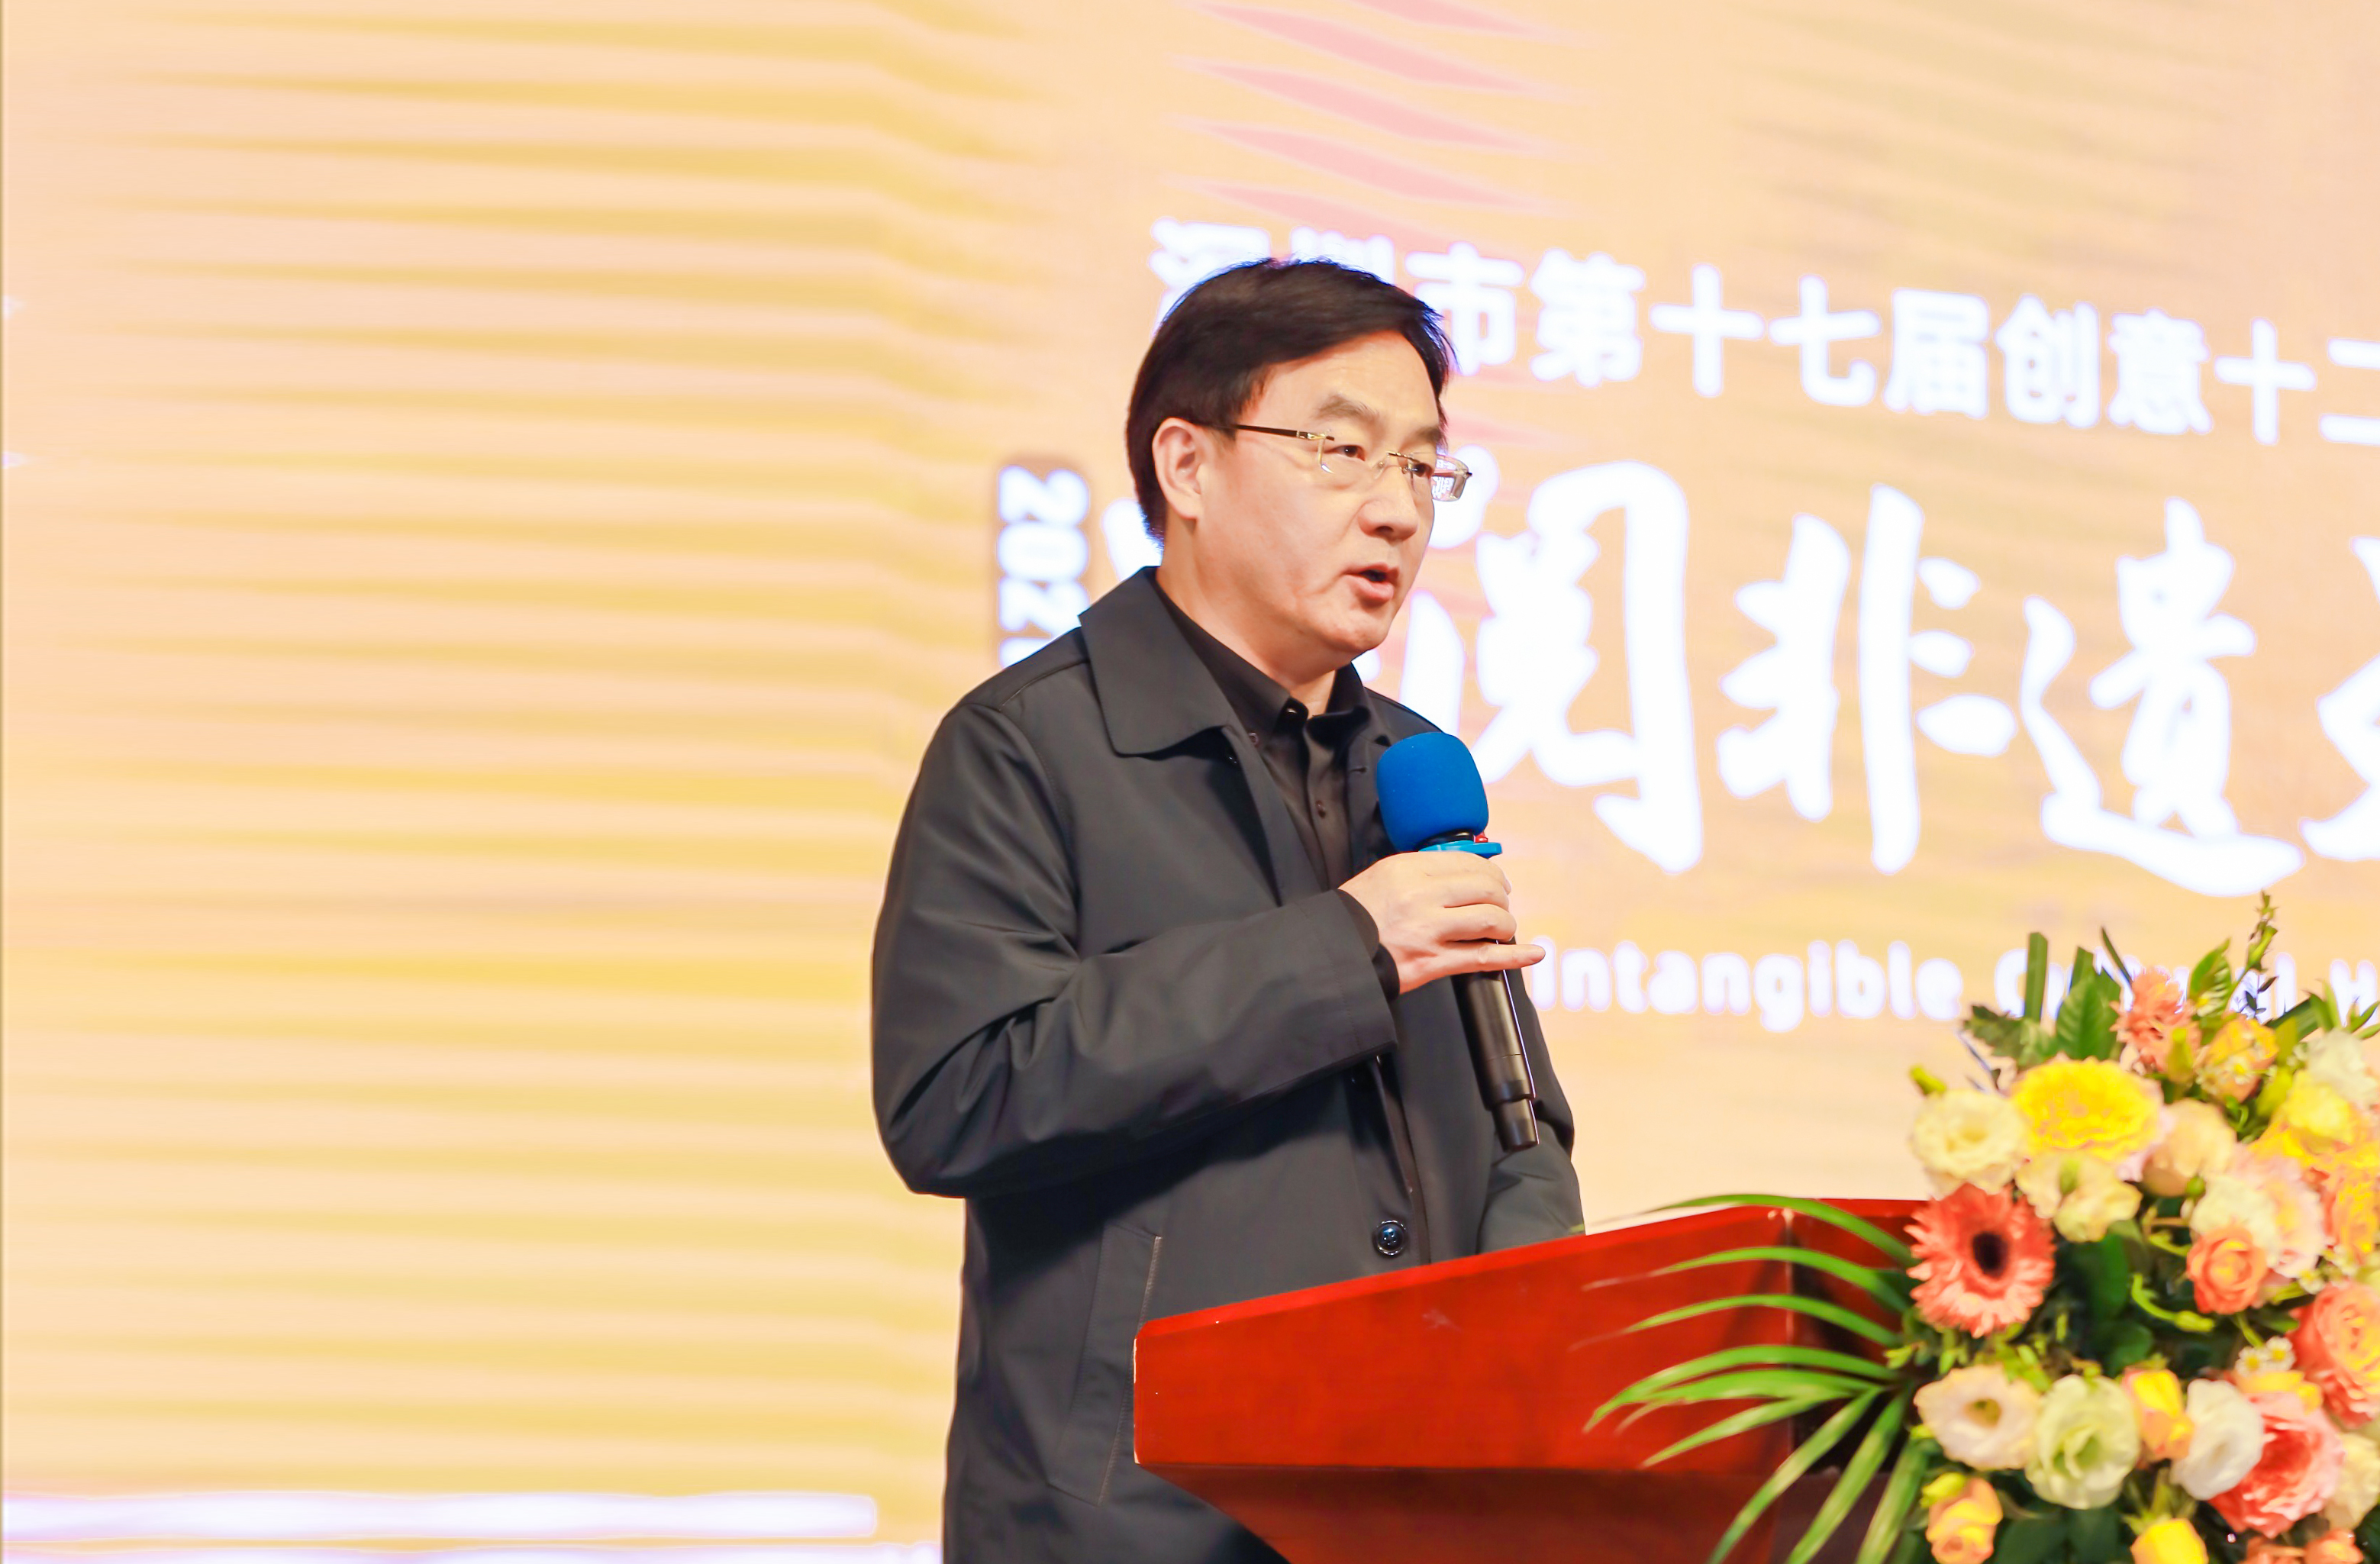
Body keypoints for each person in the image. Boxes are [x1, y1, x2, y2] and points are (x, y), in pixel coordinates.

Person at [872, 259, 1583, 1562]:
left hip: (1425, 1510)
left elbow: (1520, 1120)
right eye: (1342, 451)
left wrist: (1527, 1327)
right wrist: (1344, 947)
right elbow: (957, 1093)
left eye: (1422, 465)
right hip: (1138, 1520)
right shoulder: (1028, 746)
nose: (1395, 508)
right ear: (1186, 465)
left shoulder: (1416, 770)